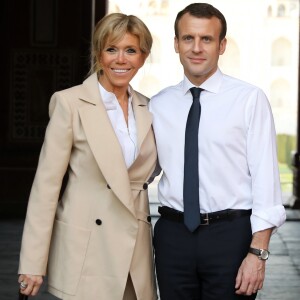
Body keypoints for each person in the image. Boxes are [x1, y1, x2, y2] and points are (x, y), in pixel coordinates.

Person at [149, 3, 286, 300]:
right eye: (188, 38)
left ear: (222, 45)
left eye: (206, 39)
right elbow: (141, 171)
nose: (196, 48)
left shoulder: (249, 100)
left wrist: (257, 253)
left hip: (231, 236)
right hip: (172, 236)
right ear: (176, 43)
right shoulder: (158, 104)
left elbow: (267, 183)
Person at [18, 13, 158, 300]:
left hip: (135, 250)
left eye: (131, 50)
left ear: (143, 57)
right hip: (89, 248)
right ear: (98, 53)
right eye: (111, 49)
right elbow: (46, 187)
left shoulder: (149, 107)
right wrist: (32, 263)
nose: (121, 59)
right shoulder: (69, 103)